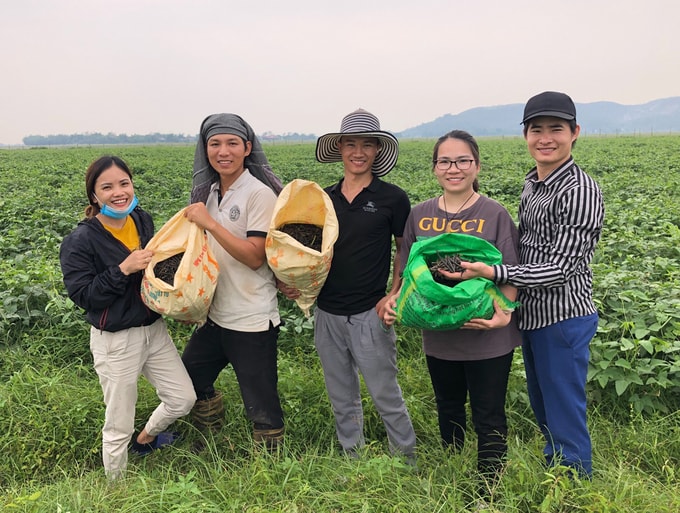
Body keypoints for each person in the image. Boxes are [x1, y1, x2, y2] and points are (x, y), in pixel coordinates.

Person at [454, 92, 605, 478]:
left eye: (556, 129)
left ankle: (573, 485)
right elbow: (524, 248)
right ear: (525, 135)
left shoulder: (579, 190)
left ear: (575, 133)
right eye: (536, 129)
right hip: (534, 316)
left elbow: (560, 268)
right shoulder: (533, 183)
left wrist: (493, 273)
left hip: (564, 317)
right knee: (544, 407)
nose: (545, 138)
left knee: (564, 410)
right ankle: (557, 474)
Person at [383, 130, 521, 492]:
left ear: (476, 166)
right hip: (439, 336)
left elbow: (511, 268)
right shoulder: (420, 215)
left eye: (462, 161)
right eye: (445, 161)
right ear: (434, 168)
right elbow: (409, 268)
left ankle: (488, 486)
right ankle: (454, 469)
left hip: (486, 335)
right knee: (448, 405)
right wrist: (394, 297)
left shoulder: (493, 213)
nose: (453, 168)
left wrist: (503, 311)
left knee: (488, 413)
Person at [59, 155, 196, 481]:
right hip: (116, 340)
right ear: (94, 195)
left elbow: (157, 270)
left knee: (183, 398)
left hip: (154, 329)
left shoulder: (141, 219)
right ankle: (116, 489)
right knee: (118, 419)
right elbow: (85, 297)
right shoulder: (80, 241)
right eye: (107, 187)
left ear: (132, 185)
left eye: (124, 183)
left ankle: (146, 438)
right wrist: (123, 269)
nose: (118, 192)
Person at [306, 108, 417, 461]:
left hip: (371, 311)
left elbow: (404, 249)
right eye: (351, 144)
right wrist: (298, 285)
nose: (358, 152)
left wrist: (395, 293)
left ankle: (405, 459)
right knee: (341, 395)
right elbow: (308, 251)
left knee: (385, 393)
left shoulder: (392, 198)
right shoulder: (323, 200)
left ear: (377, 151)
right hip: (327, 311)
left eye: (367, 145)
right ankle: (354, 458)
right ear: (339, 148)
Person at [181, 113, 286, 448]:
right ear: (205, 149)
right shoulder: (208, 193)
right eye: (214, 144)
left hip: (251, 316)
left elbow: (255, 256)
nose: (222, 151)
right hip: (214, 314)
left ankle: (268, 463)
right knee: (190, 379)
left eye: (231, 143)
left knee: (261, 399)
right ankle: (209, 437)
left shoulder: (258, 194)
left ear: (247, 148)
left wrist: (211, 224)